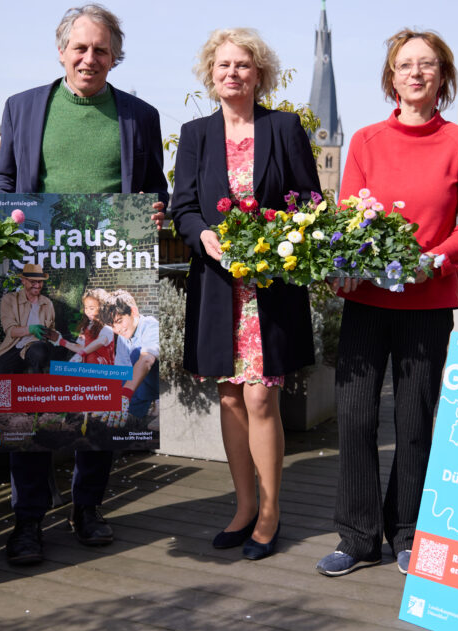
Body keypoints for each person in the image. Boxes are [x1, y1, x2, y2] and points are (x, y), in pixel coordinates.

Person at [0, 3, 169, 566]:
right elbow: (1, 180)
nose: (90, 58)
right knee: (34, 396)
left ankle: (88, 508)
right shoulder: (23, 108)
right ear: (62, 51)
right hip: (42, 270)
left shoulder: (140, 115)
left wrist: (155, 213)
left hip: (108, 273)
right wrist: (4, 209)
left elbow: (152, 187)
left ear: (116, 56)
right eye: (81, 48)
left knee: (98, 394)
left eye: (102, 50)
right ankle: (27, 521)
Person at [315, 29, 458, 577]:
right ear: (391, 76)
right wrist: (342, 270)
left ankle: (408, 531)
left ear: (443, 76)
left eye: (427, 65)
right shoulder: (365, 141)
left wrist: (434, 260)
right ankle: (358, 535)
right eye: (405, 64)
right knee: (356, 418)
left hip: (428, 304)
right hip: (366, 302)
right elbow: (348, 220)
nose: (415, 73)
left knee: (414, 422)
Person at [169, 28, 319, 561]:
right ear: (211, 73)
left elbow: (310, 199)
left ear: (260, 74)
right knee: (229, 396)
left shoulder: (284, 128)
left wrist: (279, 234)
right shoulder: (195, 134)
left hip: (268, 287)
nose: (233, 73)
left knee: (260, 396)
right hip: (217, 286)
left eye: (244, 65)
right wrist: (203, 235)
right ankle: (243, 505)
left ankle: (272, 510)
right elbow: (181, 207)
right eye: (224, 65)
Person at [0, 264, 64, 374]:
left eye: (40, 282)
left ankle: (38, 386)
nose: (37, 285)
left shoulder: (47, 303)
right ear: (23, 281)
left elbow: (51, 329)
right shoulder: (9, 300)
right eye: (33, 282)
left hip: (36, 345)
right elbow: (10, 331)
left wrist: (55, 335)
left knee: (38, 352)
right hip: (13, 345)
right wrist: (31, 329)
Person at [105, 289, 159, 420]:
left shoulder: (150, 326)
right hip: (141, 388)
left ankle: (159, 405)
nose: (117, 330)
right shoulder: (124, 336)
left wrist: (124, 395)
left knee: (137, 354)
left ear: (133, 312)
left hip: (161, 384)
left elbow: (146, 360)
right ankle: (136, 413)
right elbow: (121, 371)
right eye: (112, 326)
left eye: (119, 321)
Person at [63, 288, 116, 365]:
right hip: (88, 369)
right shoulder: (86, 327)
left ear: (102, 309)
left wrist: (81, 353)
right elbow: (80, 347)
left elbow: (101, 341)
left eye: (91, 308)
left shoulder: (107, 328)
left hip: (104, 371)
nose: (87, 311)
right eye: (86, 308)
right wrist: (60, 341)